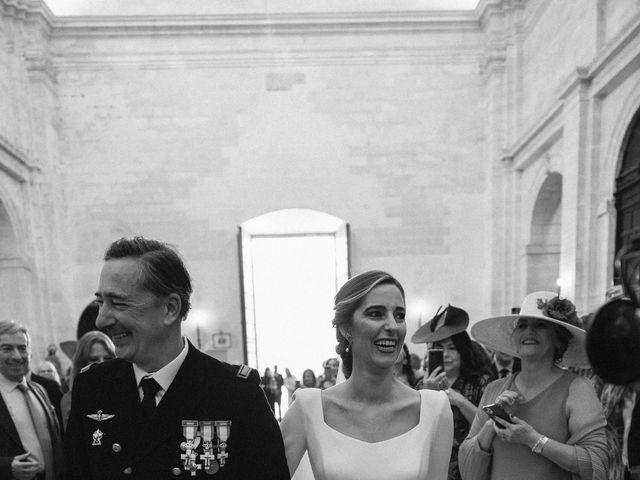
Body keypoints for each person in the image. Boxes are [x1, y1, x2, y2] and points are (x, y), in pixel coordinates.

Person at [64, 236, 289, 480]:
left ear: (170, 308)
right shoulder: (93, 387)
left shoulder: (235, 393)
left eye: (118, 303)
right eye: (100, 303)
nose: (101, 320)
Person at [281, 270, 453, 480]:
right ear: (346, 328)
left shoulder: (434, 409)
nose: (392, 326)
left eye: (399, 315)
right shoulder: (308, 408)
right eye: (375, 313)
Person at [460, 291, 609, 480]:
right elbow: (468, 472)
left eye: (541, 325)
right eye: (522, 325)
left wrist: (533, 439)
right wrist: (493, 423)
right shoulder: (494, 389)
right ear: (513, 338)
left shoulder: (577, 388)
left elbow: (597, 464)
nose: (529, 331)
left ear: (558, 339)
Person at [412, 304, 493, 480]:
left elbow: (491, 426)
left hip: (469, 467)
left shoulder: (481, 382)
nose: (446, 354)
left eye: (452, 348)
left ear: (463, 350)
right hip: (431, 466)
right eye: (439, 348)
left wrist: (461, 402)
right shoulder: (420, 385)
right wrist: (427, 394)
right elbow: (411, 429)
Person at [0, 321, 64, 480]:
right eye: (7, 349)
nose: (16, 356)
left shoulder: (40, 390)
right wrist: (6, 467)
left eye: (22, 348)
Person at [60, 330, 116, 427]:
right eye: (94, 360)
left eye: (108, 358)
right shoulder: (71, 400)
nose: (102, 364)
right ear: (82, 364)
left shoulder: (128, 391)